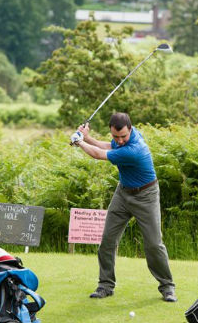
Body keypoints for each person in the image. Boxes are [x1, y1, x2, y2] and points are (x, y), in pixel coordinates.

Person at [71, 112, 176, 302]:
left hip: (146, 196)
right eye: (115, 136)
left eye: (123, 137)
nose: (119, 140)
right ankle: (105, 285)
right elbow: (106, 146)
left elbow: (98, 154)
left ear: (131, 129)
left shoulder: (136, 149)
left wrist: (79, 142)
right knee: (107, 241)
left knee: (154, 244)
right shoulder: (123, 140)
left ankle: (167, 287)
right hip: (123, 194)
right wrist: (87, 137)